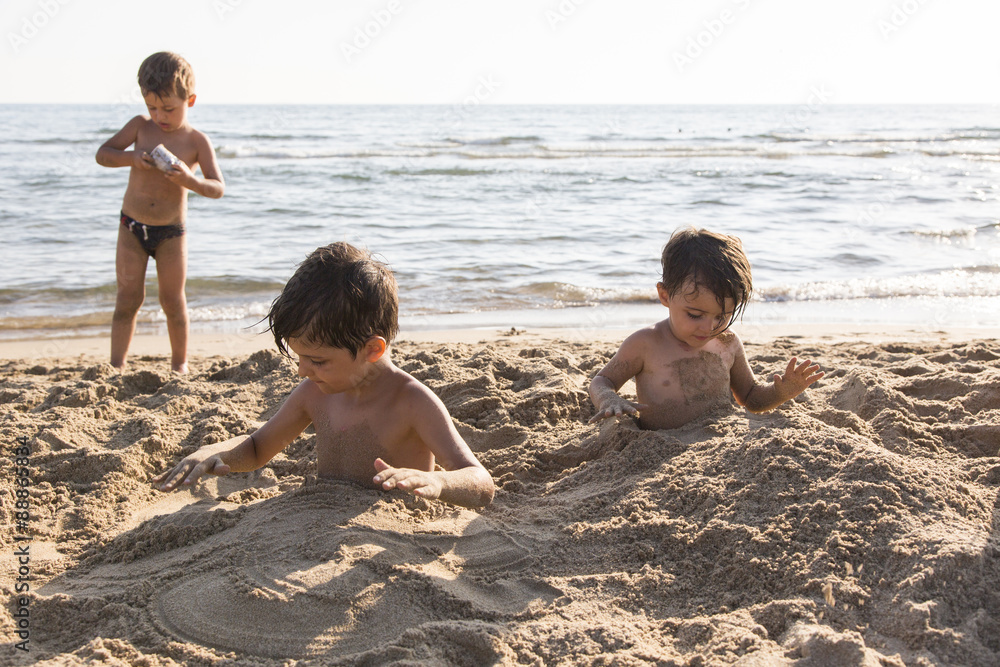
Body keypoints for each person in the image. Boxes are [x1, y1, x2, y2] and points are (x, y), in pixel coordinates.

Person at [153, 243, 496, 509]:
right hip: (319, 515)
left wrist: (435, 483)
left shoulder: (411, 402)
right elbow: (257, 448)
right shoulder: (313, 393)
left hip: (387, 527)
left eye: (317, 360)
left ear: (372, 350)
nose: (303, 370)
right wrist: (217, 452)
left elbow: (480, 481)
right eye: (300, 357)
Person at [589, 227, 823, 430]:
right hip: (658, 443)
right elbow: (602, 381)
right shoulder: (645, 344)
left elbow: (750, 397)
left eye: (722, 315)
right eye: (695, 315)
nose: (709, 327)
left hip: (717, 442)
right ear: (665, 295)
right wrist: (608, 399)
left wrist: (780, 392)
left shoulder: (728, 343)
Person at [96, 52, 225, 373]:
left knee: (173, 301)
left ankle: (179, 365)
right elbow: (103, 154)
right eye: (151, 106)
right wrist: (132, 157)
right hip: (131, 228)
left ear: (190, 100)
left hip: (171, 233)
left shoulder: (196, 141)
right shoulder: (140, 127)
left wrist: (189, 180)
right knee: (128, 299)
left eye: (168, 108)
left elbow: (217, 187)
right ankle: (116, 365)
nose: (159, 115)